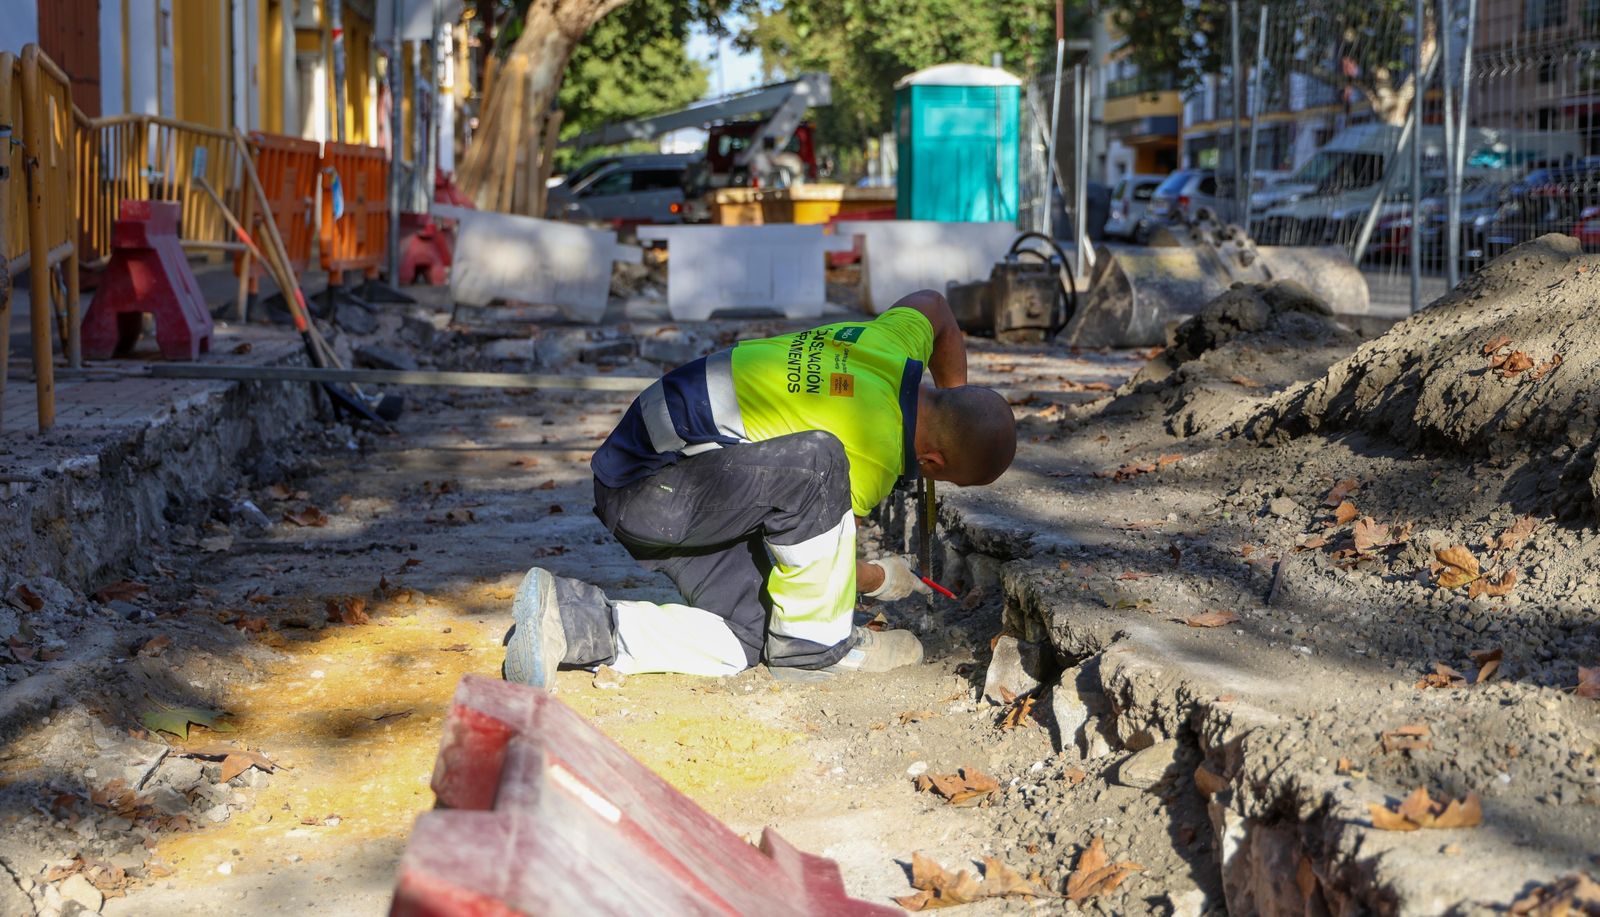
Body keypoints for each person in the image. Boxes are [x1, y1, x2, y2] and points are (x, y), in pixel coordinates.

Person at [502, 290, 1017, 688]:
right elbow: (831, 565)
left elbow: (935, 309)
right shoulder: (873, 451)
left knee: (750, 637)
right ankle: (817, 651)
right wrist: (883, 578)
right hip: (649, 483)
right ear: (932, 461)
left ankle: (569, 622)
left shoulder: (892, 344)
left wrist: (957, 403)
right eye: (940, 476)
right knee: (819, 463)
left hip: (682, 484)